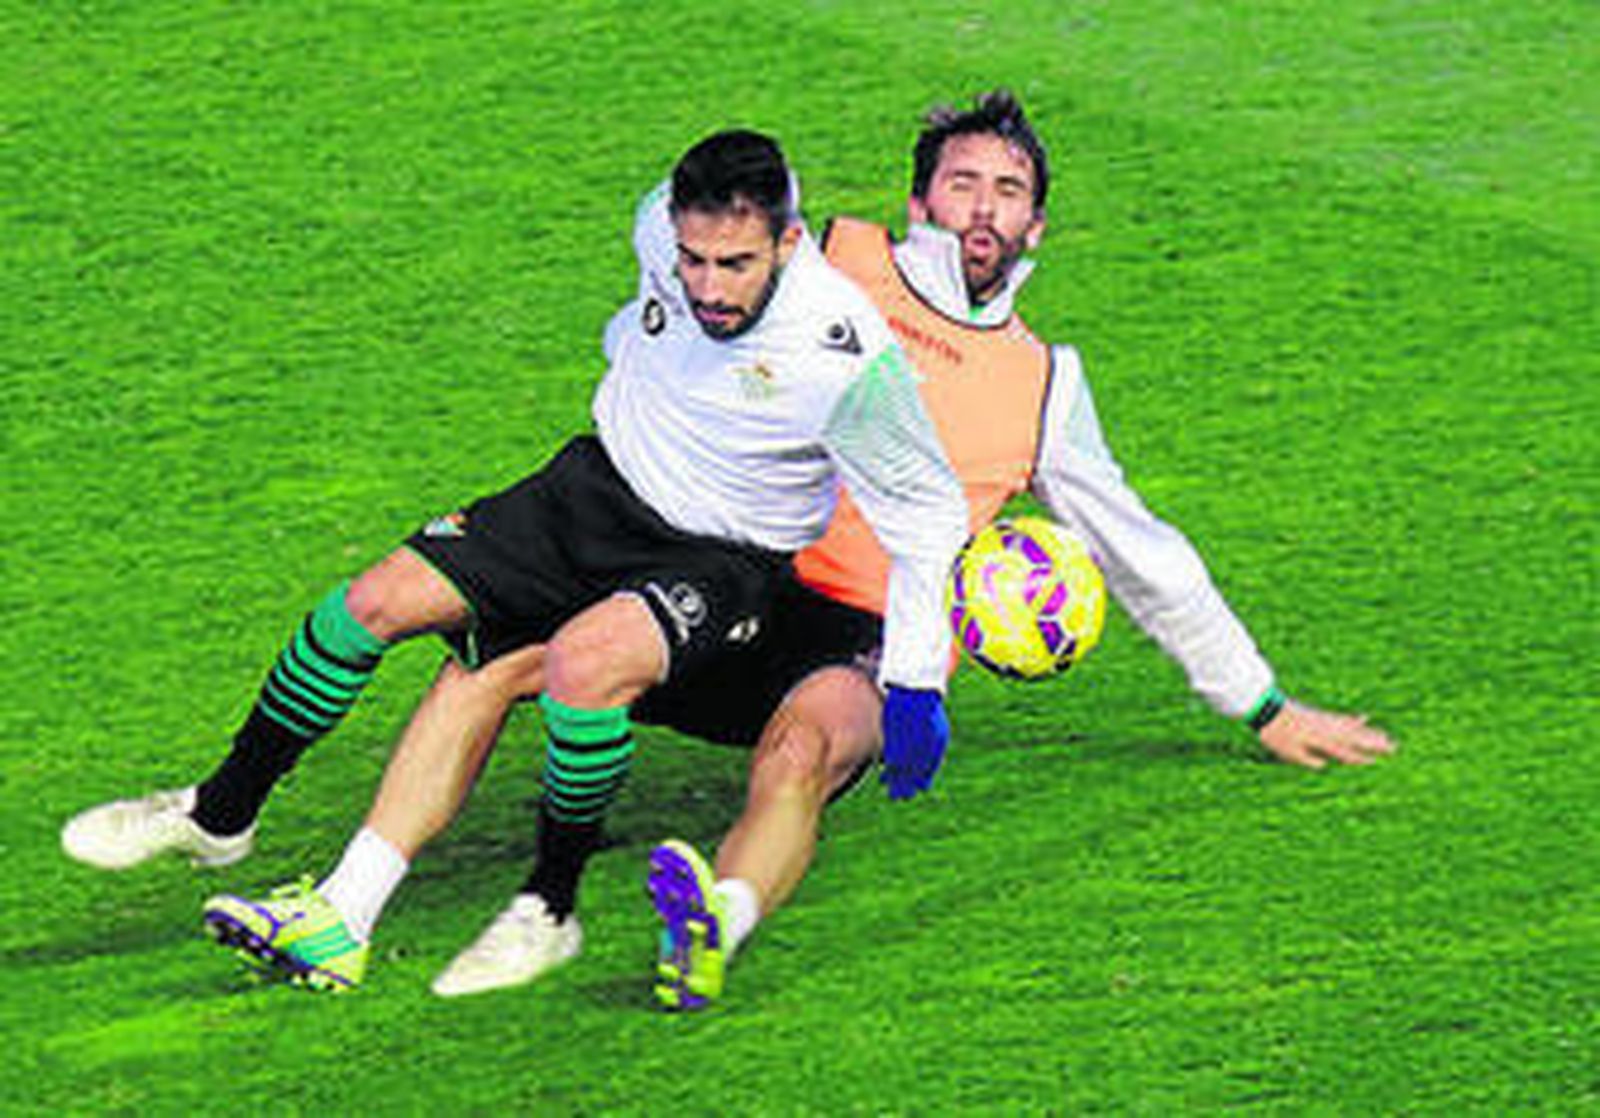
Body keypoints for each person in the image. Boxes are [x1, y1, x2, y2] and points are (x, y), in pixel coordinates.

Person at [59, 129, 970, 991]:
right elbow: (650, 328)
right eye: (693, 260)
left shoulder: (847, 357)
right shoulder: (660, 221)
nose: (708, 286)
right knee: (370, 605)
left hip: (722, 554)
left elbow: (927, 514)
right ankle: (232, 825)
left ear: (790, 242)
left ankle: (547, 908)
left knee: (582, 667)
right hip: (592, 492)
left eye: (735, 264)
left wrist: (919, 682)